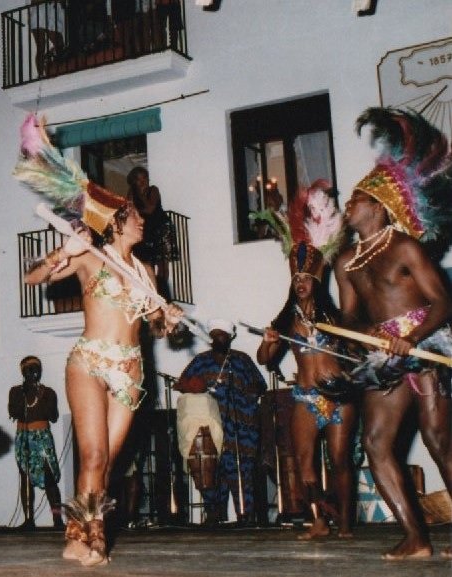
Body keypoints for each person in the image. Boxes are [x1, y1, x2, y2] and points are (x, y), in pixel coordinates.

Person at [16, 114, 183, 566]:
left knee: (105, 463)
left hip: (129, 370)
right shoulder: (91, 258)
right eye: (133, 217)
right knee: (90, 454)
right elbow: (33, 278)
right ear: (116, 223)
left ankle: (83, 532)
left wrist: (168, 317)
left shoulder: (147, 273)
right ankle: (88, 537)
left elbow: (155, 327)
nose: (141, 221)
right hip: (89, 361)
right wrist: (61, 253)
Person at [333, 108, 452, 560]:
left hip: (426, 345)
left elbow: (443, 301)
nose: (349, 205)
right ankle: (416, 537)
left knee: (439, 439)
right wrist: (364, 333)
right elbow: (345, 318)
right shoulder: (345, 261)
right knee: (376, 443)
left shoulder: (404, 247)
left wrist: (414, 336)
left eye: (358, 199)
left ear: (379, 207)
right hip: (383, 353)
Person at [254, 183, 357, 539]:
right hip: (305, 398)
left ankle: (344, 523)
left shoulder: (337, 318)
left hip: (339, 397)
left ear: (316, 280)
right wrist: (268, 343)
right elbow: (264, 359)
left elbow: (356, 354)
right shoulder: (285, 323)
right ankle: (319, 520)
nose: (300, 283)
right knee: (304, 464)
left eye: (305, 278)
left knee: (342, 462)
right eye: (295, 279)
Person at [176, 320, 267, 527]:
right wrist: (195, 387)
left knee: (241, 470)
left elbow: (260, 384)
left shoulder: (242, 360)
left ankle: (245, 515)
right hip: (210, 425)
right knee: (210, 469)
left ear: (229, 337)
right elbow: (182, 384)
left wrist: (251, 392)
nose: (218, 339)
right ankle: (213, 513)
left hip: (241, 426)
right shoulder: (200, 361)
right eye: (214, 335)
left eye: (222, 335)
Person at [8, 355, 64, 530]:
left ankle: (57, 520)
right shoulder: (16, 391)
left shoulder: (48, 392)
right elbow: (13, 411)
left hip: (41, 437)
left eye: (36, 368)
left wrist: (40, 396)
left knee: (49, 477)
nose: (34, 372)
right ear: (23, 372)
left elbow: (53, 417)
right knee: (25, 476)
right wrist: (26, 394)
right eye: (29, 369)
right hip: (23, 436)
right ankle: (29, 520)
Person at [128, 166, 179, 300]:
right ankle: (151, 291)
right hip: (146, 231)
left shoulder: (153, 190)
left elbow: (150, 209)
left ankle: (162, 293)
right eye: (139, 179)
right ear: (134, 181)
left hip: (161, 228)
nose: (143, 181)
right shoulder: (131, 193)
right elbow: (130, 211)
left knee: (162, 263)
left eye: (144, 178)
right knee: (146, 263)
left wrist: (140, 195)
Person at [29, 1, 66, 76]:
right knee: (41, 46)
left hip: (53, 12)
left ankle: (59, 69)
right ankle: (40, 75)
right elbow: (32, 2)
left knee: (59, 43)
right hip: (39, 13)